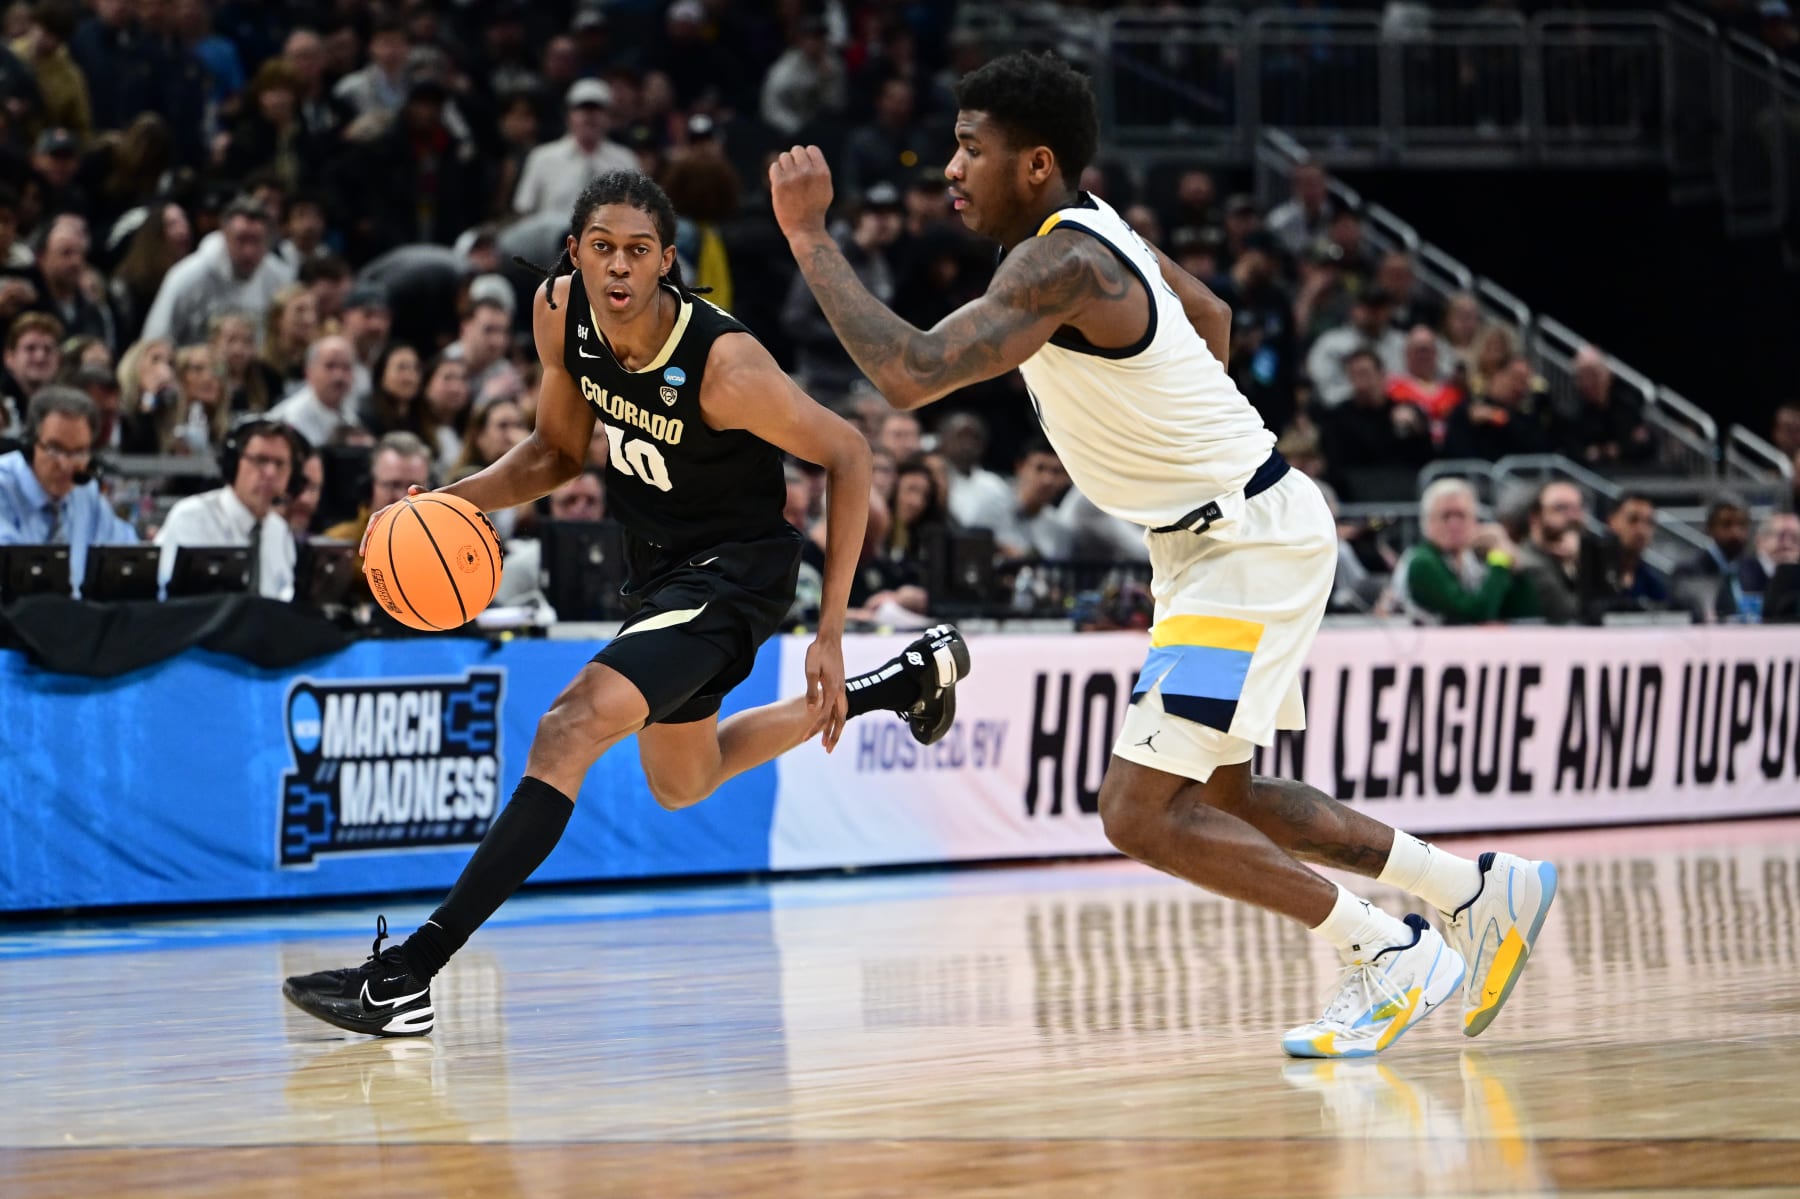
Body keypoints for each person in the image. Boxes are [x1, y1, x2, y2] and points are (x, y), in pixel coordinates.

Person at [771, 50, 1557, 1059]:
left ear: (1038, 162)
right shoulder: (1101, 234)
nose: (951, 172)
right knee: (1223, 797)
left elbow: (910, 372)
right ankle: (1474, 888)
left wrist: (805, 234)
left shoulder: (1061, 260)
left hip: (1239, 544)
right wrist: (1181, 422)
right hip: (1222, 537)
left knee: (1137, 813)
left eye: (971, 149)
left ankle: (1387, 944)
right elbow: (1213, 321)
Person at [283, 171, 971, 1038]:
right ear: (575, 252)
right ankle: (899, 684)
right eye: (602, 246)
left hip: (735, 575)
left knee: (569, 725)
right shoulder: (559, 314)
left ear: (666, 262)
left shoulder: (722, 366)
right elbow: (555, 452)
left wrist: (829, 631)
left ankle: (408, 973)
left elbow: (849, 452)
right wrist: (445, 503)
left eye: (638, 251)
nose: (618, 266)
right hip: (659, 575)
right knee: (685, 780)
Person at [0, 387, 138, 588]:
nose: (66, 465)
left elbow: (126, 551)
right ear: (29, 445)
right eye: (55, 449)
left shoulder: (85, 492)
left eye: (79, 452)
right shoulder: (4, 485)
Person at [155, 418, 303, 600]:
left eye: (279, 464)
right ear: (233, 463)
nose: (271, 473)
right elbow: (167, 599)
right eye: (260, 460)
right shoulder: (192, 517)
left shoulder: (279, 531)